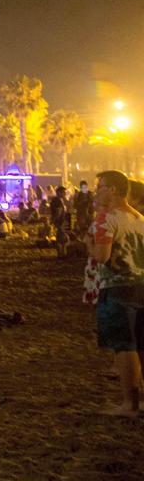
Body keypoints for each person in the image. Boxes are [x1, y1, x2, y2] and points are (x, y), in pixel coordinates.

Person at [89, 170, 144, 417]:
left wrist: (87, 243)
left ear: (112, 189)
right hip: (141, 285)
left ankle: (130, 403)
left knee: (124, 346)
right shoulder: (139, 218)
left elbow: (102, 256)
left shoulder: (106, 218)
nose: (97, 190)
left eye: (100, 186)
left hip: (118, 286)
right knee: (142, 344)